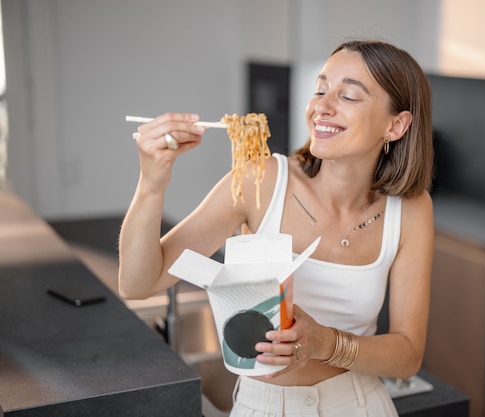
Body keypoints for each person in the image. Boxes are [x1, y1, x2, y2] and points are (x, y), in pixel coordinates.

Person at [119, 39, 434, 417]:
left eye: (348, 96)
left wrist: (325, 343)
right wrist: (152, 182)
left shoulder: (411, 210)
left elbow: (407, 356)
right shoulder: (260, 180)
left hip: (361, 404)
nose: (322, 105)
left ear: (396, 125)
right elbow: (138, 283)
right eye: (320, 89)